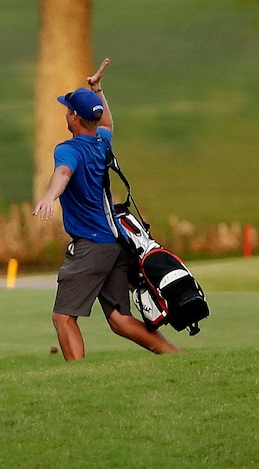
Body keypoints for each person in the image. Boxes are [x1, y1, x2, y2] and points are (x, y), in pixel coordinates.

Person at [33, 59, 179, 361]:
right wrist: (98, 90)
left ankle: (79, 378)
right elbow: (108, 124)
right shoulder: (102, 141)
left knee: (63, 317)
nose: (66, 112)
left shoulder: (69, 149)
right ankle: (176, 356)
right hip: (115, 243)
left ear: (74, 118)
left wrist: (49, 197)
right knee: (119, 319)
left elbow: (62, 173)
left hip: (91, 245)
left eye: (68, 109)